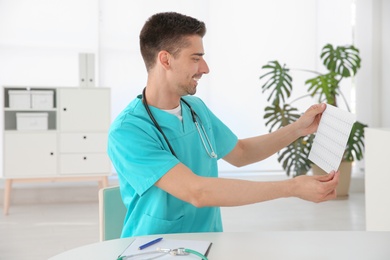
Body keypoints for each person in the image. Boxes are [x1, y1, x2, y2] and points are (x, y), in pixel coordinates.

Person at [107, 12, 340, 238]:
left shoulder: (195, 109)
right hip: (153, 249)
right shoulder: (128, 131)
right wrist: (292, 188)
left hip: (210, 243)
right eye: (195, 58)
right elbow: (197, 191)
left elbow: (240, 153)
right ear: (166, 59)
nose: (205, 68)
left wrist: (299, 128)